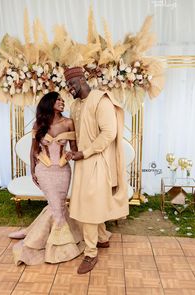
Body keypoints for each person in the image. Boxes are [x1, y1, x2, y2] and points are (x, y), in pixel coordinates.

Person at [64, 67, 129, 274]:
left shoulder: (101, 101)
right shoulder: (75, 105)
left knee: (89, 207)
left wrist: (85, 152)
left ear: (82, 80)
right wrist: (73, 151)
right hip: (82, 162)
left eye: (71, 84)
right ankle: (101, 238)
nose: (69, 89)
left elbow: (109, 133)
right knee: (90, 203)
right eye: (67, 85)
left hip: (97, 161)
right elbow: (75, 131)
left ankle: (90, 253)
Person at [9, 91, 84, 265]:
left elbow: (74, 147)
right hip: (44, 170)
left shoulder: (68, 122)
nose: (62, 102)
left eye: (62, 100)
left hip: (63, 171)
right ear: (49, 103)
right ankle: (57, 249)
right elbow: (33, 150)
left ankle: (33, 233)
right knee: (56, 208)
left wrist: (71, 155)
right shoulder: (39, 124)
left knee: (57, 206)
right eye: (58, 99)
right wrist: (33, 171)